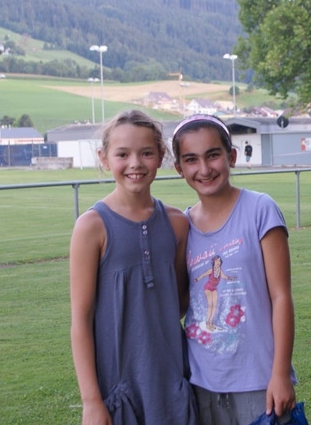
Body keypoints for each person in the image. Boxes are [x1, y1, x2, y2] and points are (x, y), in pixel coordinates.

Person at [69, 109, 197, 424]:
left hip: (171, 383)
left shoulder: (177, 223)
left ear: (161, 156)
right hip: (118, 387)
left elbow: (179, 302)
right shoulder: (91, 227)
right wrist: (91, 401)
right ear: (104, 158)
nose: (135, 163)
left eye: (146, 153)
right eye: (122, 154)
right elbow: (81, 320)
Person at [172, 114, 296, 424]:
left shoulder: (260, 209)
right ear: (179, 168)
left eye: (213, 155)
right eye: (191, 159)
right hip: (202, 381)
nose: (204, 169)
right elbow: (181, 303)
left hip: (259, 379)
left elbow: (281, 296)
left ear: (232, 156)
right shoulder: (183, 226)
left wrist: (280, 373)